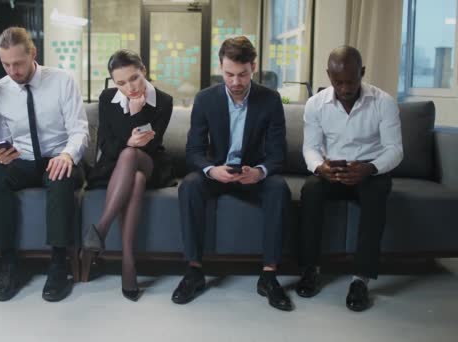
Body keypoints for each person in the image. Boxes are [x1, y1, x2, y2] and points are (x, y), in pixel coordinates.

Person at [171, 36, 292, 311]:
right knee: (189, 185)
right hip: (218, 172)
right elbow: (194, 151)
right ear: (220, 67)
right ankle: (194, 272)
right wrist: (212, 170)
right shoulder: (205, 99)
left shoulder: (270, 100)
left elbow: (277, 154)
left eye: (243, 75)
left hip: (252, 173)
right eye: (229, 74)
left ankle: (269, 276)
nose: (236, 82)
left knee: (279, 189)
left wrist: (260, 172)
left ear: (254, 67)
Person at [0, 27, 89, 302]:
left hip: (58, 157)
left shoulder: (62, 81)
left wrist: (67, 155)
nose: (12, 71)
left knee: (60, 174)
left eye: (17, 63)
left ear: (33, 54)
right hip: (22, 160)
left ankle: (58, 266)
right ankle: (8, 264)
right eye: (6, 64)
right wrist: (0, 150)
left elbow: (79, 130)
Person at [297, 45, 403, 312]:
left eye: (352, 80)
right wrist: (320, 167)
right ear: (328, 76)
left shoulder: (384, 102)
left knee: (377, 194)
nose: (345, 88)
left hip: (369, 171)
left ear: (362, 73)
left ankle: (360, 280)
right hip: (331, 171)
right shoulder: (315, 104)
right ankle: (311, 268)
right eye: (338, 81)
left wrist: (370, 168)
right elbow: (310, 147)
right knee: (310, 191)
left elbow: (394, 149)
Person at [82, 49, 174, 301]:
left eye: (134, 78)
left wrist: (137, 114)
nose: (130, 87)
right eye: (121, 83)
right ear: (114, 83)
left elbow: (151, 145)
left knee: (132, 156)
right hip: (116, 168)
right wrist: (128, 138)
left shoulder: (163, 101)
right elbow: (107, 147)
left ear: (143, 70)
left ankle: (100, 230)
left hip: (150, 162)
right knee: (135, 177)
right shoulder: (107, 98)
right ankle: (128, 265)